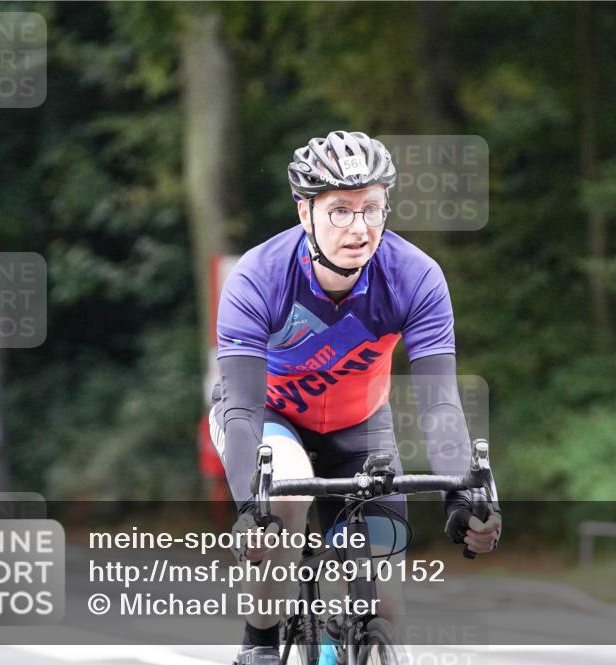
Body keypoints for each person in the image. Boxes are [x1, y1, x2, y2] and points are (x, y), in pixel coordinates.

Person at [209, 130, 502, 664]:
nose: (359, 227)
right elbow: (244, 408)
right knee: (287, 499)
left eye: (371, 209)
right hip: (268, 419)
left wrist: (463, 496)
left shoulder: (415, 277)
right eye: (340, 210)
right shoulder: (259, 277)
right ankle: (260, 643)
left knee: (388, 607)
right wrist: (254, 507)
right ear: (305, 213)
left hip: (360, 425)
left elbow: (439, 404)